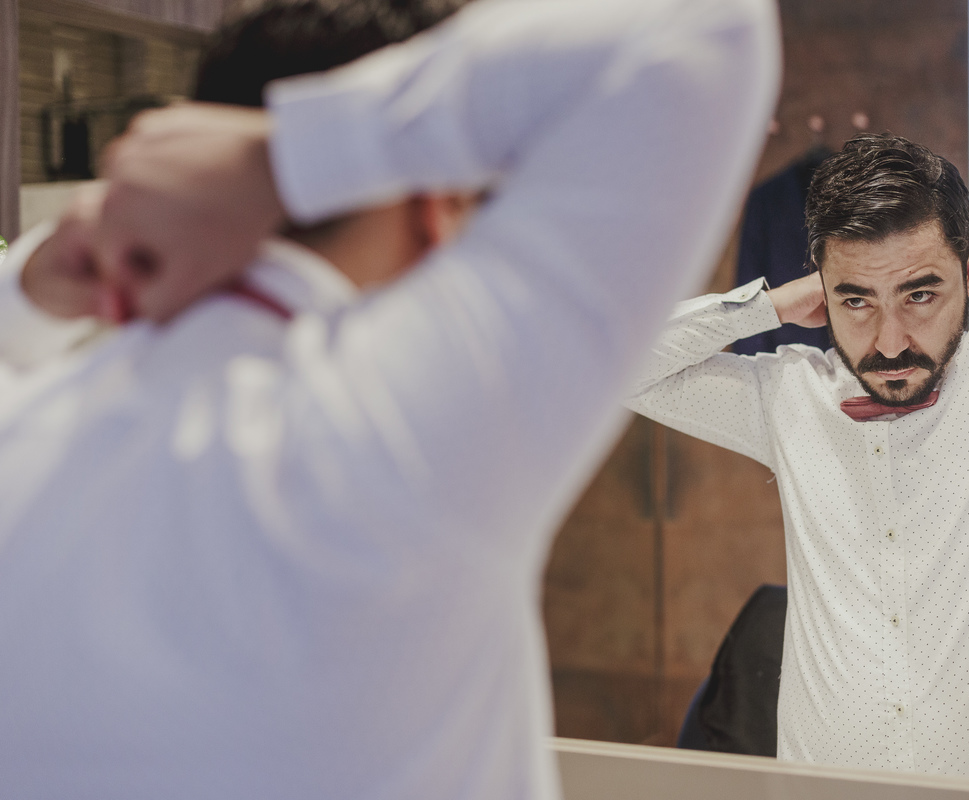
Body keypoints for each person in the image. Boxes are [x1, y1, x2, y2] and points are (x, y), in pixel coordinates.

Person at [0, 0, 780, 797]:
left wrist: (28, 291)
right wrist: (288, 158)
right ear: (436, 203)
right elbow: (700, 22)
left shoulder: (25, 433)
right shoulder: (396, 434)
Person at [627, 134, 969, 784]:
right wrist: (770, 304)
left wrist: (950, 243)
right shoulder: (789, 396)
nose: (890, 341)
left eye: (920, 294)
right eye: (856, 301)